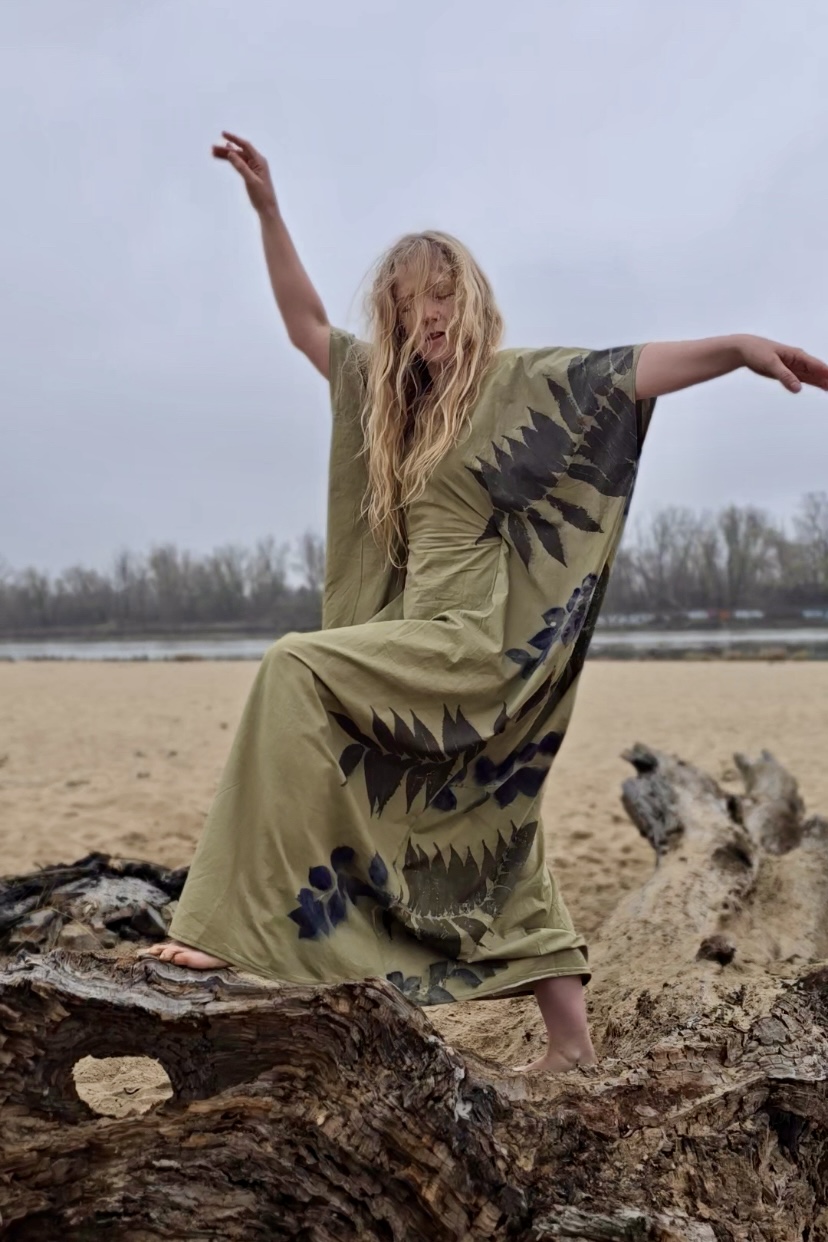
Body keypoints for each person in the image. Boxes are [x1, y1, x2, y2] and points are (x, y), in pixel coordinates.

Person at [147, 132, 828, 1074]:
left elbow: (623, 373)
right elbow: (306, 325)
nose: (426, 315)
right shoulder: (387, 402)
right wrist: (267, 208)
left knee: (290, 668)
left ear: (468, 298)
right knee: (498, 823)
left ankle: (223, 928)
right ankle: (573, 1047)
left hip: (471, 645)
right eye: (405, 304)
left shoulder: (510, 386)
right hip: (413, 641)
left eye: (440, 294)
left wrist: (740, 348)